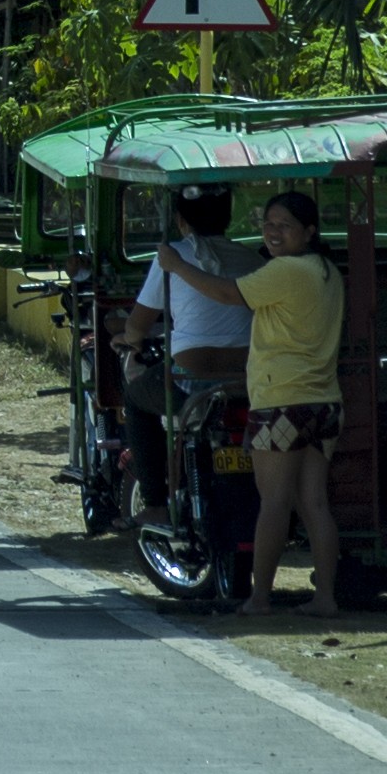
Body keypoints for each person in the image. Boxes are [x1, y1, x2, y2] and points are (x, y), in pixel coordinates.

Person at [163, 188, 349, 614]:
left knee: (275, 502)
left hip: (281, 400)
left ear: (309, 231)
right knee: (314, 502)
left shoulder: (285, 271)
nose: (273, 232)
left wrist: (178, 265)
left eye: (284, 225)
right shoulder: (325, 271)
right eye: (268, 223)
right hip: (324, 402)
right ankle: (325, 598)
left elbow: (228, 293)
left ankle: (260, 598)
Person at [115, 183, 249, 548]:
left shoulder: (172, 257)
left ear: (179, 219)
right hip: (245, 382)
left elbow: (138, 325)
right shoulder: (253, 257)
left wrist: (129, 337)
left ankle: (156, 503)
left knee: (136, 399)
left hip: (190, 382)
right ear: (228, 216)